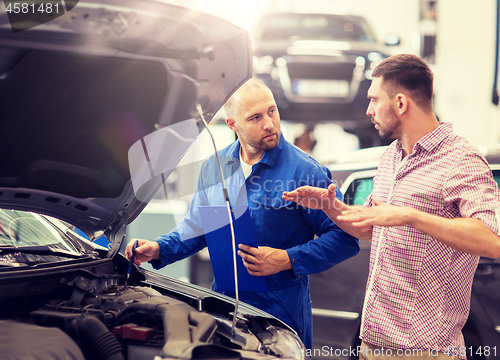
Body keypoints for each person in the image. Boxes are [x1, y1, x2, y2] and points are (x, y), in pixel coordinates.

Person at [282, 54, 500, 359]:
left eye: (374, 99)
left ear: (400, 103)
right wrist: (331, 207)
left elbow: (492, 240)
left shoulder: (460, 160)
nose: (368, 110)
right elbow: (371, 228)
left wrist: (409, 216)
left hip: (426, 351)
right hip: (373, 343)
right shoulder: (391, 157)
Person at [125, 77, 360, 349]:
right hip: (223, 308)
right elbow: (199, 228)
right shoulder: (215, 167)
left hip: (280, 316)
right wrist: (158, 248)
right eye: (255, 117)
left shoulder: (305, 171)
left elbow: (345, 238)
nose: (269, 123)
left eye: (272, 111)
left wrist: (287, 259)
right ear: (232, 124)